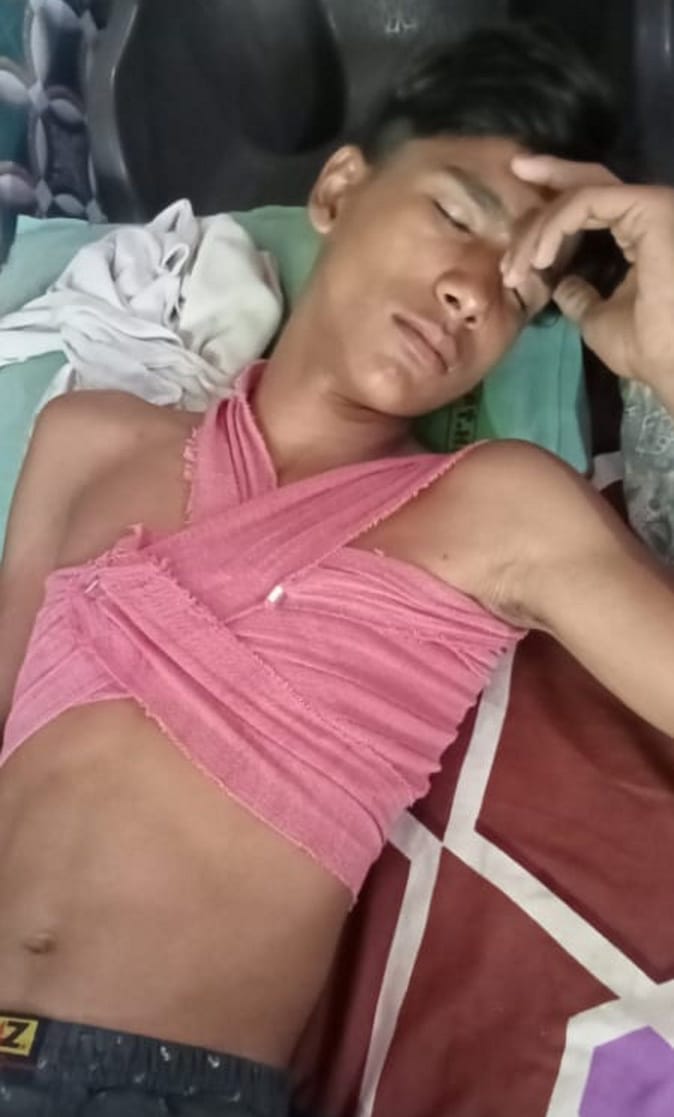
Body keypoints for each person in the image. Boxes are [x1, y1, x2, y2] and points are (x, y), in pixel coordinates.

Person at [0, 19, 673, 1117]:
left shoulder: (492, 509)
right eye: (456, 215)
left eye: (516, 292)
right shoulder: (85, 439)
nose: (472, 290)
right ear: (339, 189)